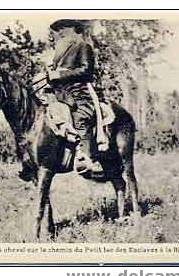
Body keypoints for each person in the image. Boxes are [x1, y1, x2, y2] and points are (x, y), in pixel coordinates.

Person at [46, 19, 101, 174]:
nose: (58, 34)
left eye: (61, 30)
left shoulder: (83, 46)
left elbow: (86, 71)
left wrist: (60, 74)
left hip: (78, 91)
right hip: (59, 92)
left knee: (80, 116)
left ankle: (86, 158)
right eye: (57, 31)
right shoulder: (58, 52)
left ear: (71, 30)